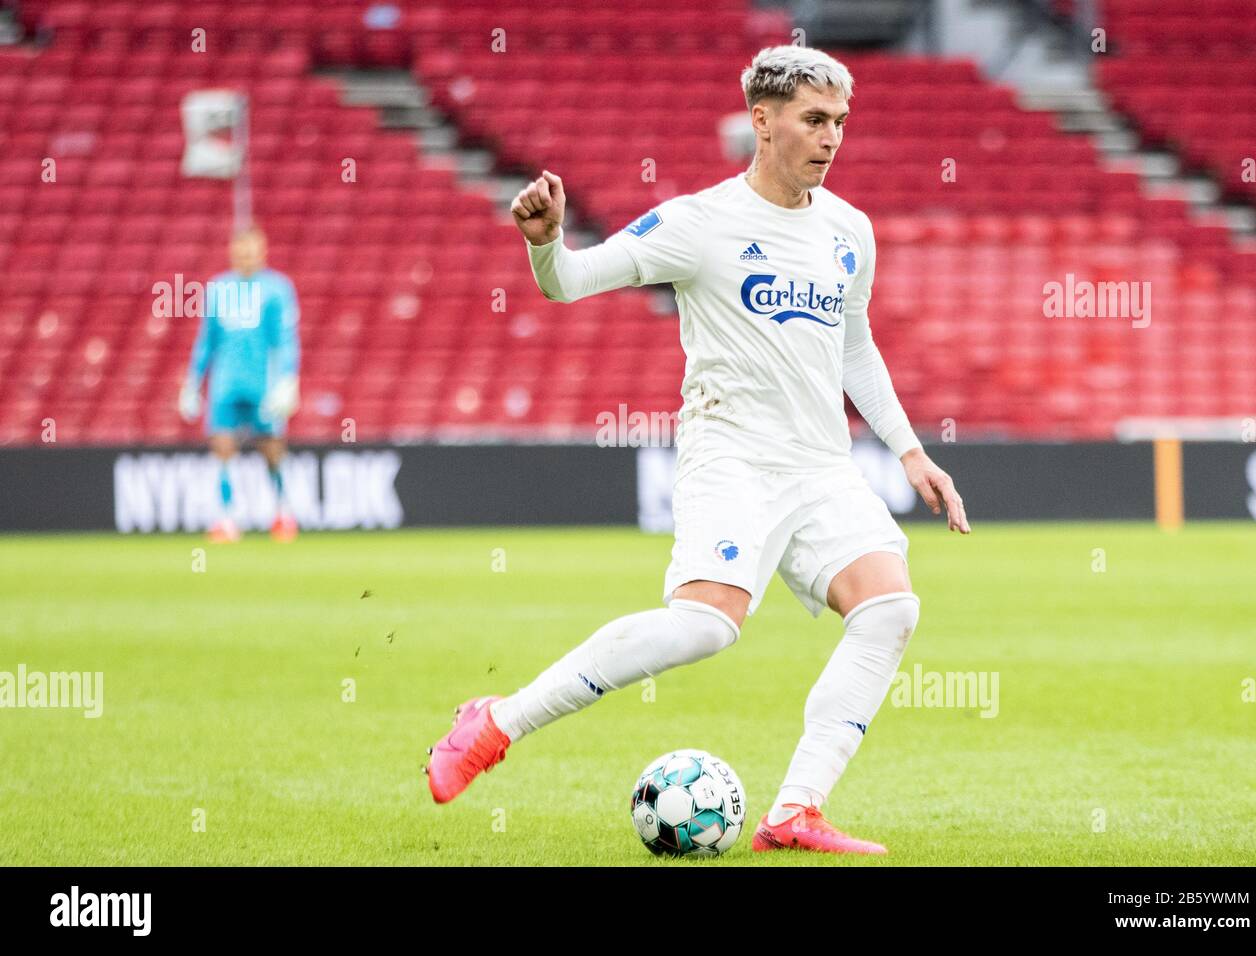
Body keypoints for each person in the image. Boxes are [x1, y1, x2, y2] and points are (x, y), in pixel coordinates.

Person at [425, 46, 970, 855]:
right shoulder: (698, 224)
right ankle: (496, 721)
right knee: (707, 628)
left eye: (840, 123)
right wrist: (546, 244)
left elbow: (855, 345)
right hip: (733, 458)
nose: (831, 138)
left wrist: (909, 450)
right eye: (814, 120)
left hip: (821, 465)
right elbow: (567, 282)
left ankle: (795, 812)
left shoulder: (849, 231)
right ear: (763, 120)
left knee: (891, 609)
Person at [179, 226, 301, 543]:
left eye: (252, 250)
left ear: (263, 251)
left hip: (264, 382)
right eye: (241, 251)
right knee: (222, 446)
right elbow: (207, 340)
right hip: (225, 383)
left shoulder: (277, 288)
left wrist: (289, 379)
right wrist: (193, 381)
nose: (246, 257)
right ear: (233, 252)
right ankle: (227, 516)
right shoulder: (219, 288)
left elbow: (286, 339)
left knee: (271, 447)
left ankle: (282, 512)